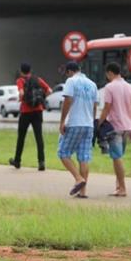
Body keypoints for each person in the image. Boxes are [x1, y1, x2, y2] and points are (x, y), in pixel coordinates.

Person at [58, 61, 98, 198]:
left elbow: (67, 101)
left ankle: (78, 179)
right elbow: (94, 106)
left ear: (69, 71)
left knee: (63, 152)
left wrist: (62, 121)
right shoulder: (92, 84)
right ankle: (83, 192)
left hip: (75, 122)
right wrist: (92, 122)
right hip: (89, 124)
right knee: (84, 157)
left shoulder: (71, 81)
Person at [98, 62, 131, 197]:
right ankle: (118, 186)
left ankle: (123, 188)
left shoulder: (109, 87)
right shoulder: (130, 87)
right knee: (118, 157)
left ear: (110, 73)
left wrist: (99, 123)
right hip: (126, 126)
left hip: (114, 126)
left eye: (107, 74)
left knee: (116, 157)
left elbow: (107, 107)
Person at [9, 63, 52, 171]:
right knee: (39, 137)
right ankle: (41, 162)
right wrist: (41, 99)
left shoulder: (20, 80)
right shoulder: (38, 79)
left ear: (21, 71)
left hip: (25, 112)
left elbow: (22, 93)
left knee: (21, 137)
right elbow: (49, 90)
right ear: (30, 70)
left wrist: (21, 98)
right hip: (38, 111)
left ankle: (17, 161)